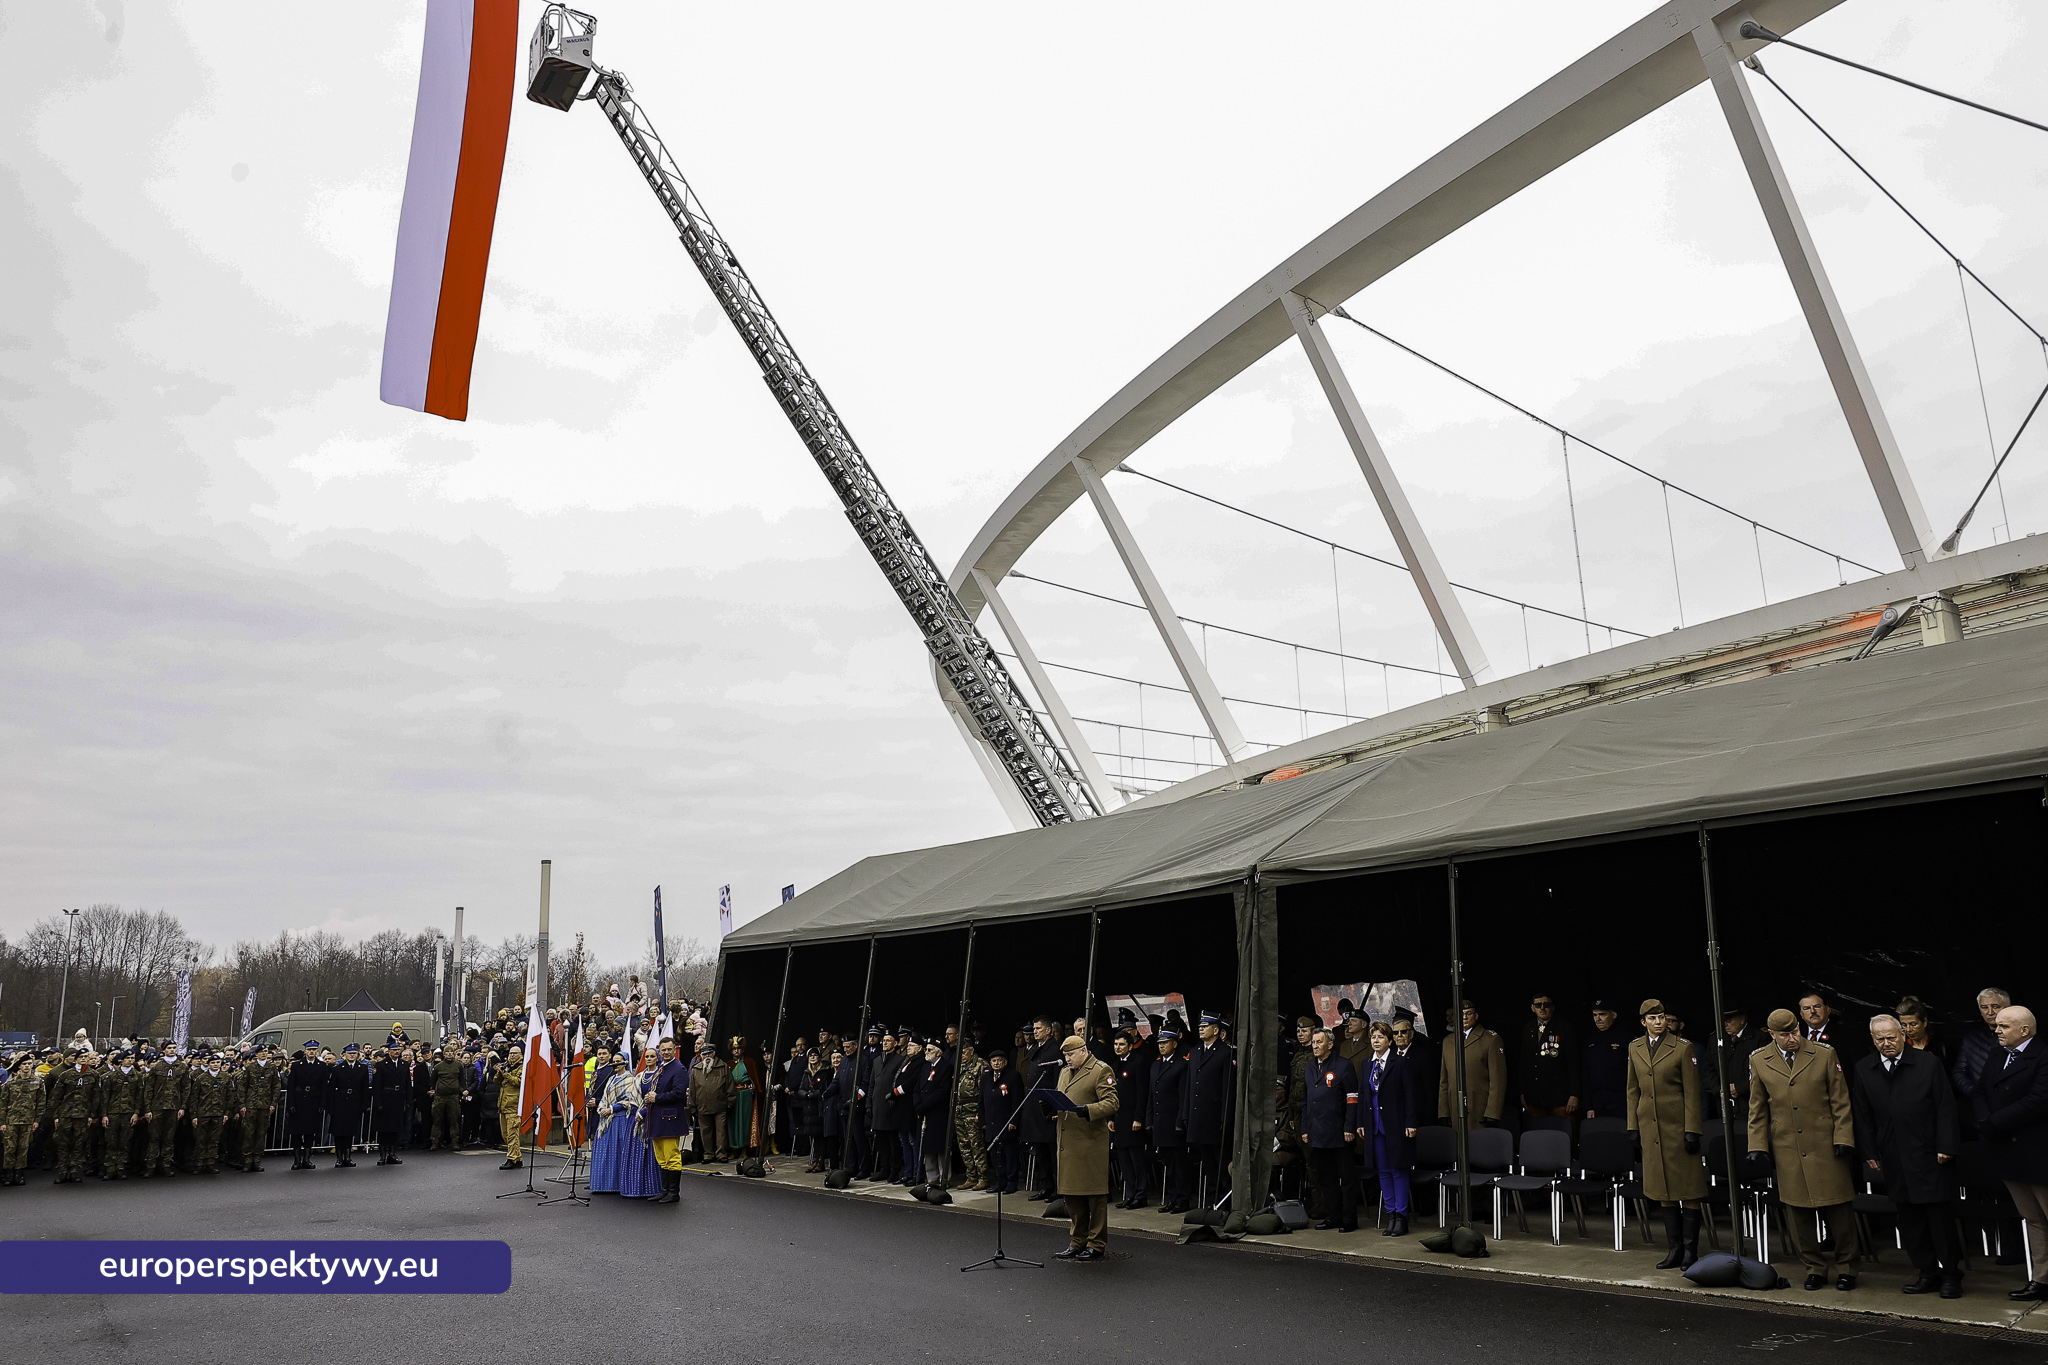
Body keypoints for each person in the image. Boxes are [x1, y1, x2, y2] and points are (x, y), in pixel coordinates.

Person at [1850, 1014, 1962, 1298]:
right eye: (1880, 1039)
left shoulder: (1928, 1063)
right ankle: (1927, 1272)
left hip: (1930, 1154)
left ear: (1903, 1035)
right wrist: (1869, 1152)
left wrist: (1946, 1146)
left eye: (1891, 1037)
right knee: (1910, 1221)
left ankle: (1951, 1274)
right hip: (1893, 1155)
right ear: (1873, 1040)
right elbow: (1862, 1116)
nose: (1886, 1044)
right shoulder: (1865, 1069)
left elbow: (1945, 1107)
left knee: (1939, 1218)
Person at [1749, 1007, 1860, 1291]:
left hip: (1825, 1144)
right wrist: (1757, 1144)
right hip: (1788, 1146)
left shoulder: (1824, 1053)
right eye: (1785, 1035)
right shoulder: (1760, 1060)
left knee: (1839, 1211)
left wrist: (1843, 1138)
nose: (1792, 1038)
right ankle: (1815, 1268)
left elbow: (1841, 1101)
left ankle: (1846, 1267)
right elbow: (1757, 1108)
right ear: (1772, 1034)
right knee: (1799, 1215)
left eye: (1795, 1031)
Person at [1625, 999, 1708, 1270]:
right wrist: (1633, 1126)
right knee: (1663, 1189)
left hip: (1678, 1127)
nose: (1658, 1022)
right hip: (1651, 1127)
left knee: (1689, 1189)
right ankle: (1674, 1249)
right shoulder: (1635, 1047)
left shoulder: (1683, 1048)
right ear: (1643, 1022)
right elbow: (1632, 1089)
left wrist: (1693, 1130)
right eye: (1652, 1018)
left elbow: (1692, 1092)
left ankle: (1690, 1251)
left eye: (1661, 1017)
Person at [1978, 1005, 2048, 1302]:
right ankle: (2042, 1279)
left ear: (2025, 1030)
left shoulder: (2043, 1056)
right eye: (1997, 1026)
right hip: (2007, 1150)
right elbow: (1980, 1089)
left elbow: (2040, 1099)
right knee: (2032, 1218)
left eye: (2004, 1026)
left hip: (2038, 1151)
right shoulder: (1997, 1054)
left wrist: (1996, 1122)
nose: (1996, 1030)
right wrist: (1984, 1121)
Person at [1050, 1034, 1119, 1262]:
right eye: (1065, 1055)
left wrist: (1087, 1110)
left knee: (1094, 1197)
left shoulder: (1101, 1070)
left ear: (1084, 1050)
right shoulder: (1063, 1073)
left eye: (1070, 1054)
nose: (1067, 1059)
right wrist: (1049, 1109)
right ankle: (1077, 1241)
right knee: (1073, 1197)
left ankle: (1096, 1243)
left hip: (1090, 1143)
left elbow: (1112, 1102)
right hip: (1068, 1144)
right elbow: (1062, 1100)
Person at [1361, 1019, 1423, 1236]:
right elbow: (1364, 1095)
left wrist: (1411, 1123)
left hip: (1396, 1124)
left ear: (1389, 1040)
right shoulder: (1367, 1063)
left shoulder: (1400, 1062)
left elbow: (1410, 1095)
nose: (1376, 1041)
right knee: (1383, 1171)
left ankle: (1402, 1216)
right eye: (1373, 1037)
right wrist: (1362, 1122)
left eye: (1380, 1037)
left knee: (1398, 1169)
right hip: (1375, 1125)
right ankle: (1391, 1214)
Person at [1300, 1027, 1360, 1232]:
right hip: (1317, 1132)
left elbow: (1352, 1099)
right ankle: (1333, 1216)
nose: (1315, 1046)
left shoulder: (1344, 1066)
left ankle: (1349, 1218)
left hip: (1340, 1131)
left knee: (1346, 1177)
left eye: (1319, 1042)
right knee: (1326, 1178)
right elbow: (1306, 1101)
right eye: (1314, 1042)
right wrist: (1305, 1128)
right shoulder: (1310, 1067)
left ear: (1330, 1044)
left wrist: (1349, 1126)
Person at [589, 1051, 658, 1198]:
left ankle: (616, 1183)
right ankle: (602, 1183)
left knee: (616, 1151)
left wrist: (612, 1108)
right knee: (604, 1153)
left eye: (618, 1061)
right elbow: (606, 1097)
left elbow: (629, 1100)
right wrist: (601, 1108)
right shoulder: (611, 1078)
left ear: (625, 1063)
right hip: (605, 1119)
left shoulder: (630, 1078)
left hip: (619, 1118)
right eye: (613, 1061)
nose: (615, 1064)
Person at [1184, 1012, 1236, 1205]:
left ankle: (1223, 1201)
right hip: (1199, 1117)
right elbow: (1190, 1086)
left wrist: (1226, 1118)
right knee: (1208, 1164)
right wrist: (1186, 1114)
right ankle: (1211, 1200)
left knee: (1222, 1163)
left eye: (1205, 1026)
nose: (1201, 1029)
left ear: (1216, 1030)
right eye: (1200, 1026)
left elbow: (1228, 1089)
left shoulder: (1225, 1052)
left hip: (1215, 1118)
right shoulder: (1196, 1051)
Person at [1437, 1000, 1508, 1129]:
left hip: (1480, 1110)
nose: (1464, 1017)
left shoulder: (1490, 1039)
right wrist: (1443, 1112)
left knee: (1479, 1146)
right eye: (1460, 1013)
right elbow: (1444, 1081)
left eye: (1468, 1013)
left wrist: (1493, 1113)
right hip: (1455, 1111)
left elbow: (1498, 1080)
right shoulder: (1448, 1041)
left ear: (1476, 1016)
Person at [1516, 992, 1581, 1122]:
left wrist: (1575, 1094)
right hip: (1534, 1096)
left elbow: (1574, 1063)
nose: (1542, 1008)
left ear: (1552, 1007)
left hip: (1560, 1096)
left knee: (1564, 1135)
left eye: (1546, 1005)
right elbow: (1523, 1062)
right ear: (1532, 1008)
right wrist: (1522, 1092)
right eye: (1538, 1005)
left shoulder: (1564, 1027)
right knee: (1537, 1136)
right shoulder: (1528, 1028)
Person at [1953, 987, 2014, 1125]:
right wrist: (1974, 1092)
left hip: (2018, 1106)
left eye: (1995, 1006)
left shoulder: (2019, 1036)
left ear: (2008, 1007)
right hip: (1985, 1112)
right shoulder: (1971, 1039)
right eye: (1984, 1007)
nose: (1990, 1012)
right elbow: (1959, 1072)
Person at [1147, 1028, 1191, 1213]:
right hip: (1160, 1122)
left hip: (1174, 1121)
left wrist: (1181, 1121)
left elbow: (1183, 1096)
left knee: (1180, 1164)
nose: (1161, 1046)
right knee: (1168, 1163)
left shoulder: (1181, 1064)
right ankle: (1173, 1197)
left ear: (1174, 1043)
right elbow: (1151, 1095)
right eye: (1159, 1043)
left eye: (1165, 1042)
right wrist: (1149, 1119)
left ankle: (1183, 1199)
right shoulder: (1155, 1065)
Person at [1019, 1017, 1063, 1201]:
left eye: (1038, 1028)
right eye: (1034, 1029)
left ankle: (1058, 1188)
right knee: (1040, 1152)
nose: (1034, 1031)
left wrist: (1055, 1108)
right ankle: (1046, 1185)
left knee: (1052, 1152)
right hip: (1033, 1108)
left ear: (1048, 1031)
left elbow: (1057, 1081)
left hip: (1047, 1108)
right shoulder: (1036, 1049)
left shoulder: (1055, 1050)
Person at [646, 1037, 690, 1205]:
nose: (665, 1052)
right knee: (661, 1156)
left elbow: (679, 1093)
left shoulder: (679, 1068)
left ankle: (673, 1192)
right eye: (663, 1050)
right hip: (657, 1118)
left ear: (674, 1050)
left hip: (670, 1118)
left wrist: (657, 1098)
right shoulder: (662, 1068)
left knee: (672, 1155)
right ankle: (664, 1190)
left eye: (668, 1049)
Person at [1109, 1031, 1150, 1208]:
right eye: (1116, 1044)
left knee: (1137, 1159)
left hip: (1133, 1118)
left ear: (1130, 1046)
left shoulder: (1138, 1062)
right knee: (1124, 1159)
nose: (1118, 1048)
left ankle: (1140, 1195)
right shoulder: (1114, 1065)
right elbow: (1111, 1094)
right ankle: (1130, 1193)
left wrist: (1138, 1117)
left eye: (1121, 1045)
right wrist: (1110, 1117)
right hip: (1119, 1118)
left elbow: (1142, 1092)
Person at [98, 1049, 146, 1180]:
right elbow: (105, 1097)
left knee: (125, 1141)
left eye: (132, 1058)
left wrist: (136, 1113)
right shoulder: (111, 1076)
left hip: (128, 1113)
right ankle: (110, 1168)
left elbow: (139, 1097)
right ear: (122, 1060)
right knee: (111, 1141)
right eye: (128, 1058)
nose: (130, 1060)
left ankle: (120, 1167)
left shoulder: (137, 1076)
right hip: (113, 1113)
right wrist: (104, 1115)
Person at [1, 1050, 46, 1185]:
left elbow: (41, 1103)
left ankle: (18, 1173)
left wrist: (37, 1120)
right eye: (24, 1064)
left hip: (28, 1120)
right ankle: (8, 1173)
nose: (27, 1066)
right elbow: (3, 1104)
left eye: (29, 1064)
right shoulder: (10, 1084)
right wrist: (2, 1122)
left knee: (23, 1148)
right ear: (19, 1066)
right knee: (10, 1147)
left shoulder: (38, 1082)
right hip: (11, 1120)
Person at [982, 1048, 1024, 1195]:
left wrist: (1014, 1121)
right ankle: (999, 1182)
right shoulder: (986, 1077)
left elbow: (1017, 1101)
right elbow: (981, 1100)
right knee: (995, 1155)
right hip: (991, 1123)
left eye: (1000, 1060)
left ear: (1005, 1062)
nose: (997, 1063)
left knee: (1010, 1154)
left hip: (1007, 1123)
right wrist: (983, 1121)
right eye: (994, 1061)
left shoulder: (1013, 1076)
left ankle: (1012, 1183)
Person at [952, 1037, 990, 1191]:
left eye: (964, 1052)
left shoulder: (981, 1065)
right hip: (960, 1111)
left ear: (971, 1051)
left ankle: (983, 1178)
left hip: (973, 1111)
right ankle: (971, 1177)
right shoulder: (958, 1065)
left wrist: (981, 1113)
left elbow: (985, 1092)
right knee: (964, 1145)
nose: (961, 1055)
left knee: (977, 1145)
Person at [283, 1043, 329, 1172]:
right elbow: (291, 1086)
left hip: (313, 1101)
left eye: (314, 1050)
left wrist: (322, 1104)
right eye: (309, 1050)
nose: (311, 1052)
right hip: (299, 1101)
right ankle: (297, 1160)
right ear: (305, 1051)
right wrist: (291, 1103)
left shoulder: (321, 1066)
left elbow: (324, 1087)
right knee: (297, 1132)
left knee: (310, 1132)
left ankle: (307, 1159)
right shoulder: (297, 1065)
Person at [914, 1037, 953, 1185]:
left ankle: (944, 1178)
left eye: (929, 1050)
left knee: (940, 1147)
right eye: (926, 1049)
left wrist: (926, 1104)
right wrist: (917, 1103)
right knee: (927, 1147)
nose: (926, 1052)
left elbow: (943, 1090)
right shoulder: (925, 1067)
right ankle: (932, 1178)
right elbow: (917, 1088)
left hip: (937, 1112)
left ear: (938, 1052)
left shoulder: (946, 1067)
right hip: (924, 1113)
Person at [688, 1040, 733, 1163]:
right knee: (705, 1132)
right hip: (702, 1107)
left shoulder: (723, 1067)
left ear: (714, 1053)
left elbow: (730, 1086)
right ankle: (708, 1154)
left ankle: (721, 1154)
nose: (707, 1056)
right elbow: (692, 1090)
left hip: (720, 1106)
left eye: (709, 1053)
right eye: (704, 1054)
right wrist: (692, 1107)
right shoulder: (696, 1069)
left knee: (721, 1132)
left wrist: (730, 1103)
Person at [1581, 1002, 1628, 1120]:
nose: (1598, 1019)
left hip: (1620, 1102)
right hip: (1597, 1103)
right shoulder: (1590, 1040)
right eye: (1595, 1015)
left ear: (1613, 1015)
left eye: (1602, 1014)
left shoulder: (1625, 1038)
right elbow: (1585, 1074)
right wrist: (1588, 1106)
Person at [238, 1044, 281, 1173]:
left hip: (265, 1105)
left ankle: (256, 1160)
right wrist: (242, 1105)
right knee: (248, 1133)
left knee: (261, 1134)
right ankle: (247, 1160)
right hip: (251, 1105)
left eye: (265, 1052)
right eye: (261, 1052)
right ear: (256, 1054)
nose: (263, 1054)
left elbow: (276, 1087)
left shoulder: (272, 1068)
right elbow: (242, 1087)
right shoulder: (250, 1067)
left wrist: (273, 1103)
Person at [1799, 992, 1867, 1070]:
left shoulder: (1849, 1034)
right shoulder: (1795, 1035)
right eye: (1807, 1008)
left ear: (1828, 1009)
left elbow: (1862, 1069)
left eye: (1817, 1007)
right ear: (1801, 1014)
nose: (1813, 1011)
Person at [372, 1045, 411, 1166]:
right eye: (394, 1050)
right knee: (384, 1129)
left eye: (398, 1050)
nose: (396, 1052)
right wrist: (378, 1102)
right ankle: (382, 1155)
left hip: (398, 1098)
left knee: (396, 1128)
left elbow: (408, 1085)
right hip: (386, 1098)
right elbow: (376, 1086)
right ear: (389, 1052)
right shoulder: (381, 1065)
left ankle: (392, 1154)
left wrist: (408, 1101)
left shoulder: (404, 1065)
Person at [493, 1041, 525, 1169]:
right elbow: (496, 1081)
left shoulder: (522, 1067)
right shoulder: (508, 1065)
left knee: (512, 1134)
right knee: (506, 1135)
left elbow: (519, 1082)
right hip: (503, 1105)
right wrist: (500, 1071)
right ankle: (517, 1158)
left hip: (514, 1105)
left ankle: (511, 1158)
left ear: (520, 1054)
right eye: (510, 1053)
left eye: (514, 1053)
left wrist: (506, 1074)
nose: (511, 1056)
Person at [428, 1046, 468, 1151]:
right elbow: (432, 1080)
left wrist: (462, 1091)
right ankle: (434, 1142)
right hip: (440, 1097)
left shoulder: (459, 1066)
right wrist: (433, 1090)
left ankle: (455, 1142)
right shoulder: (438, 1066)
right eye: (447, 1052)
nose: (449, 1054)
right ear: (444, 1054)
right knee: (437, 1120)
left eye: (451, 1052)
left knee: (454, 1120)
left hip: (453, 1096)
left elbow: (462, 1080)